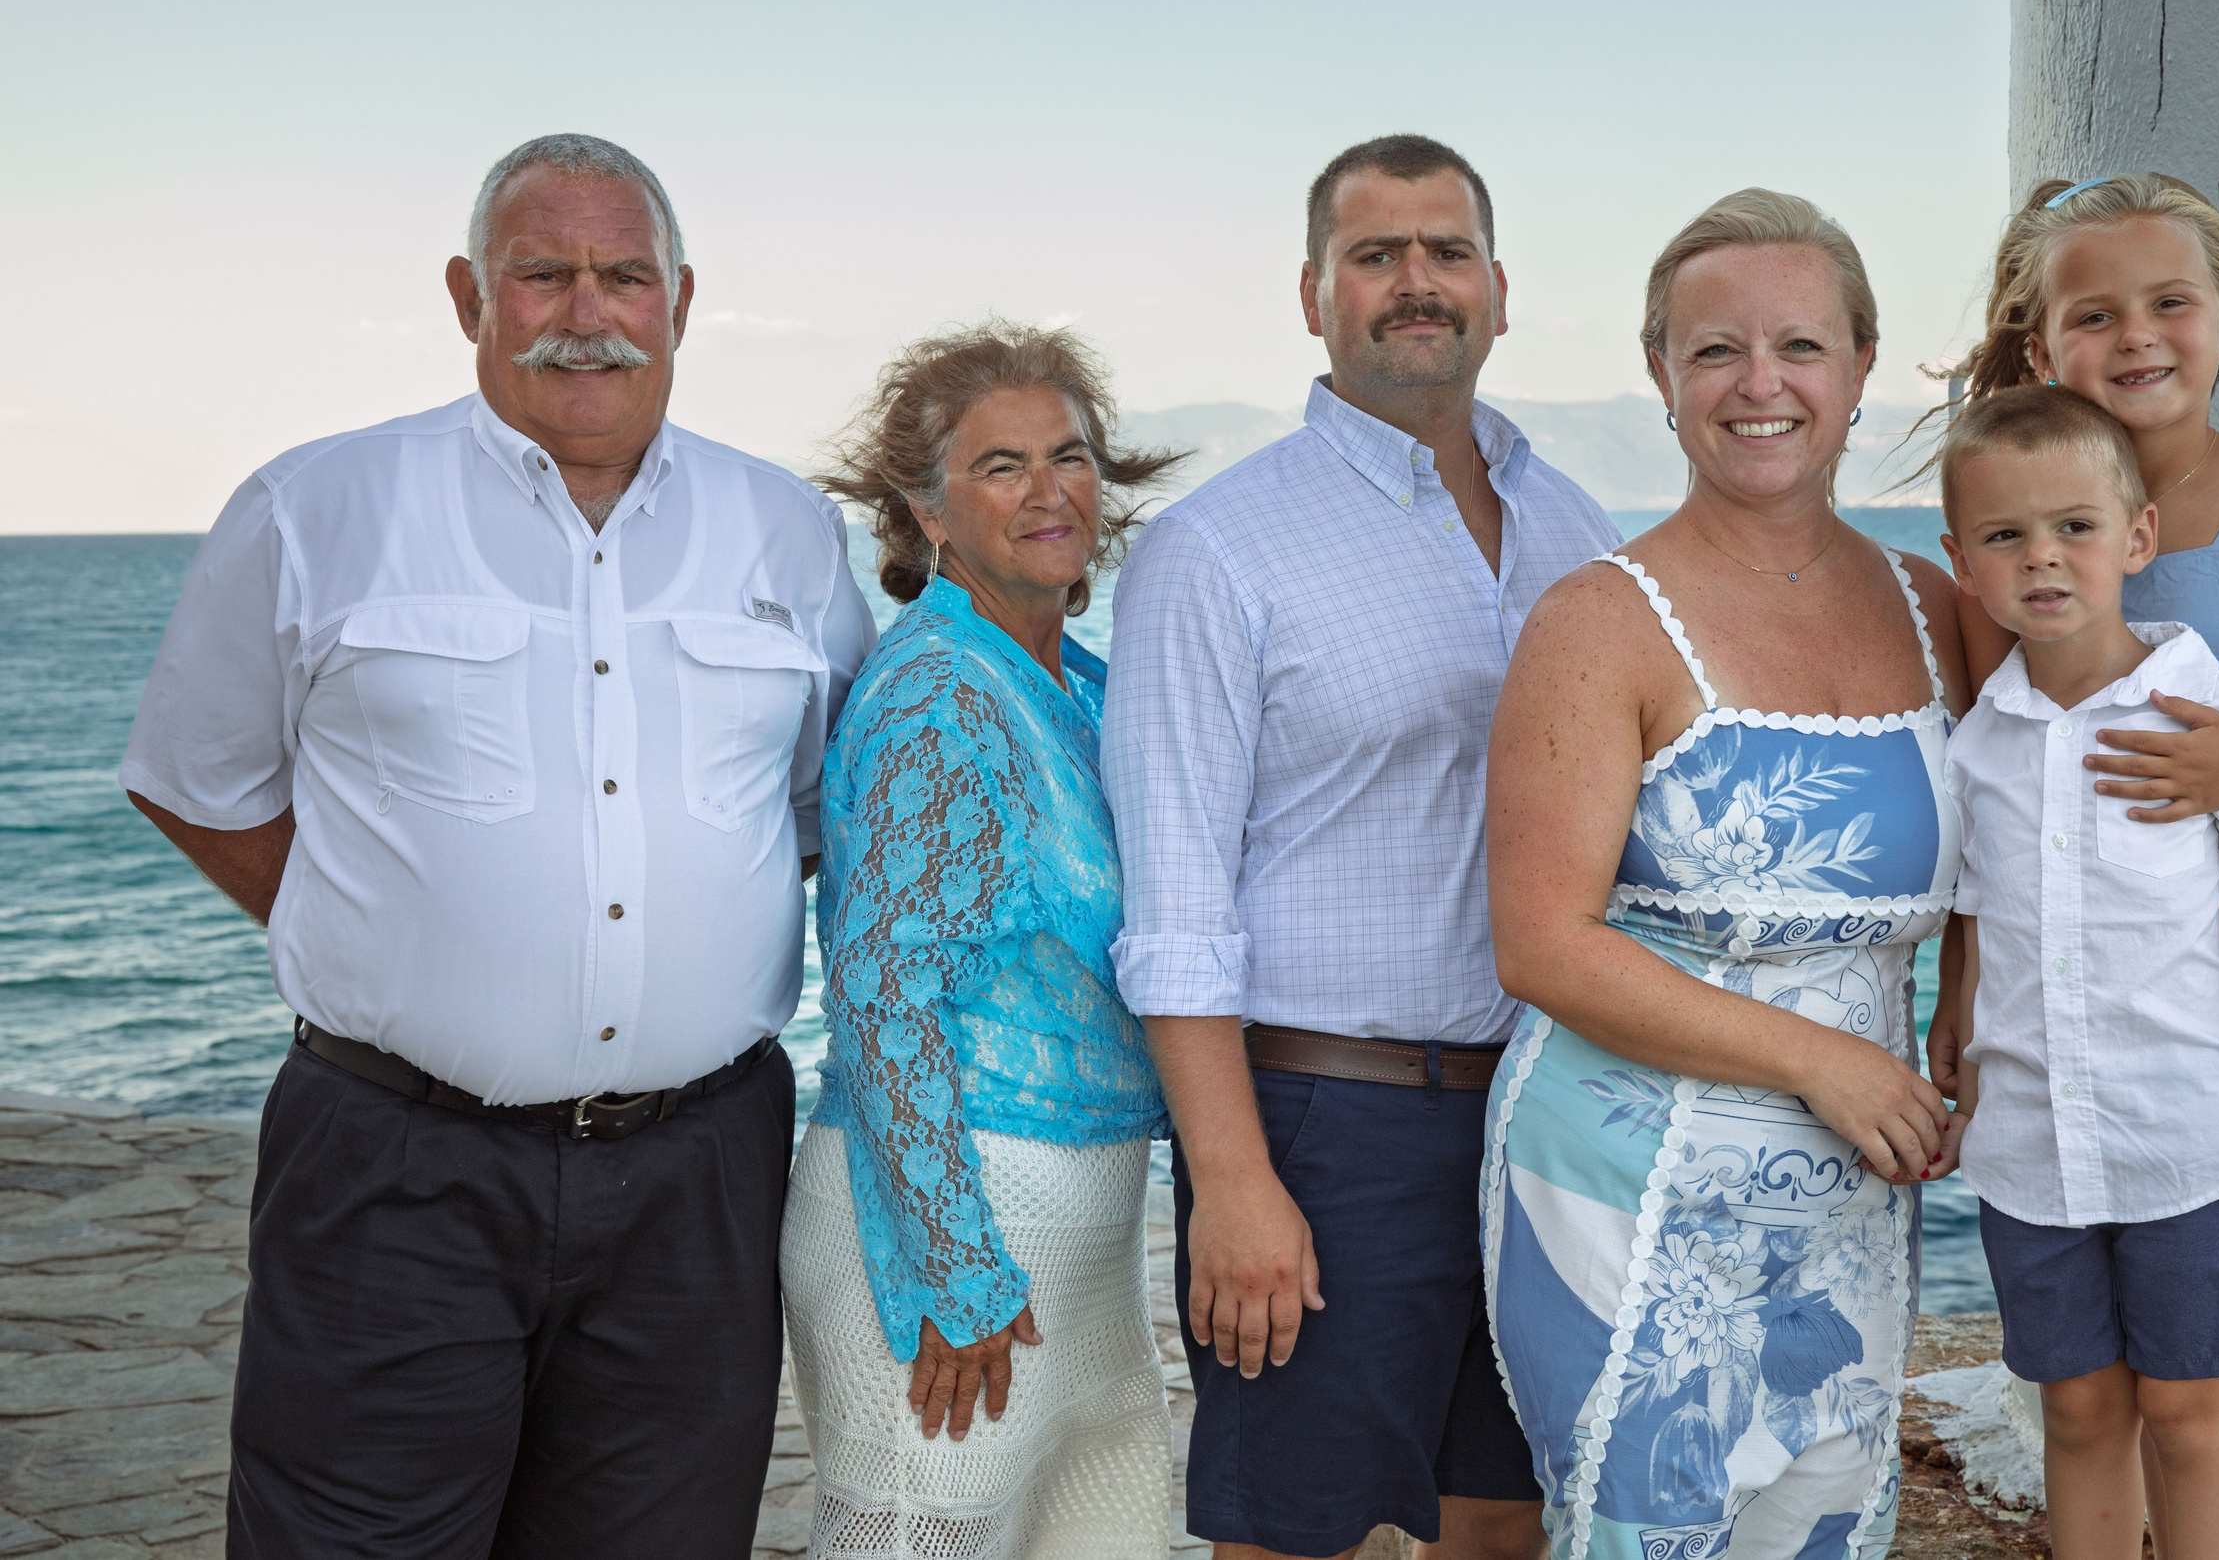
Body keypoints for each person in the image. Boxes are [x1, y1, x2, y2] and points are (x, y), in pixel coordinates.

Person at [118, 132, 875, 1556]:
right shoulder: (315, 506)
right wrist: (374, 941)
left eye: (623, 275)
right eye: (544, 274)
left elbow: (820, 804)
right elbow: (197, 780)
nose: (586, 310)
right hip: (393, 1165)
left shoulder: (785, 530)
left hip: (698, 1175)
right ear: (471, 295)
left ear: (681, 299)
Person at [1101, 134, 1619, 1559]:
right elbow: (1175, 900)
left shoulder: (1578, 529)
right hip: (1325, 1119)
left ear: (1500, 289)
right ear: (1314, 292)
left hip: (1546, 1107)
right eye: (1375, 254)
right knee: (1295, 1532)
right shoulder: (1215, 550)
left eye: (1446, 250)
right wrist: (1235, 1175)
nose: (1416, 283)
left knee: (1505, 1513)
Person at [1480, 189, 1969, 1556]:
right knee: (1654, 1530)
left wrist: (1960, 1019)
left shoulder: (1939, 608)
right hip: (1635, 1182)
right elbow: (1543, 941)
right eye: (1714, 352)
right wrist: (1821, 1061)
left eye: (1802, 346)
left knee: (1824, 1525)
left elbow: (2019, 837)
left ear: (1864, 363)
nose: (1762, 385)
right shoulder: (1598, 622)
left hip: (1856, 1185)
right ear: (1662, 376)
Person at [1932, 173, 2219, 1559]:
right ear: (2040, 343)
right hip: (2115, 976)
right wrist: (1959, 992)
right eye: (2095, 313)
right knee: (2122, 1374)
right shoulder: (2031, 523)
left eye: (2171, 302)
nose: (2137, 336)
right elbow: (1996, 813)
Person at [782, 321, 1182, 1558]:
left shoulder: (1087, 682)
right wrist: (955, 1272)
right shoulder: (939, 694)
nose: (1050, 489)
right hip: (960, 1227)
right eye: (1002, 465)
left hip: (1087, 1227)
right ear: (926, 510)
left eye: (1069, 456)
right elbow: (881, 993)